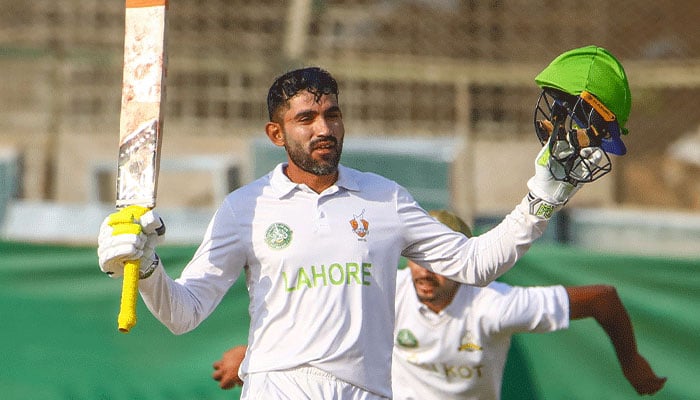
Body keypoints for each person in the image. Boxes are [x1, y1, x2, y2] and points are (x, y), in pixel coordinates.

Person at [97, 45, 624, 399]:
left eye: (331, 115)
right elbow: (183, 314)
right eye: (305, 119)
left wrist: (542, 197)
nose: (323, 129)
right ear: (276, 134)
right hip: (279, 388)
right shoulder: (245, 207)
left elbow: (475, 263)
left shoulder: (384, 197)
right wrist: (145, 267)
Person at [212, 210, 667, 399]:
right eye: (417, 261)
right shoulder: (384, 289)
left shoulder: (493, 306)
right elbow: (317, 325)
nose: (425, 272)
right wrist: (250, 357)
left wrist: (632, 362)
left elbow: (603, 299)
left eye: (440, 263)